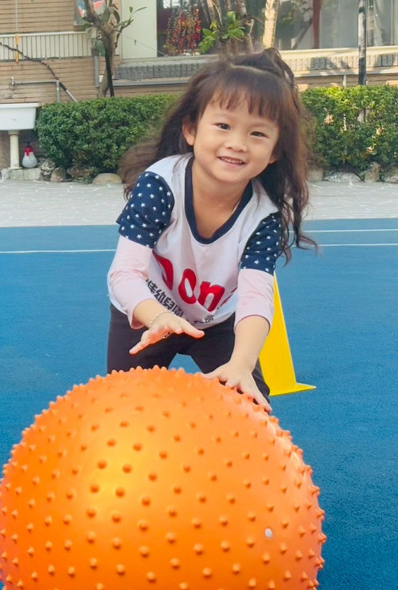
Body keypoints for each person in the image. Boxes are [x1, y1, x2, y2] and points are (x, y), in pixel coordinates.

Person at [105, 48, 315, 409]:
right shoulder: (160, 185)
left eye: (257, 134)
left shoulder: (262, 216)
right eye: (223, 126)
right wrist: (157, 317)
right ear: (191, 129)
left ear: (275, 152)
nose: (237, 143)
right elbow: (124, 273)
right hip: (149, 308)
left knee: (249, 406)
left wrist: (242, 364)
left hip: (218, 321)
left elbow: (255, 298)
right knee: (123, 407)